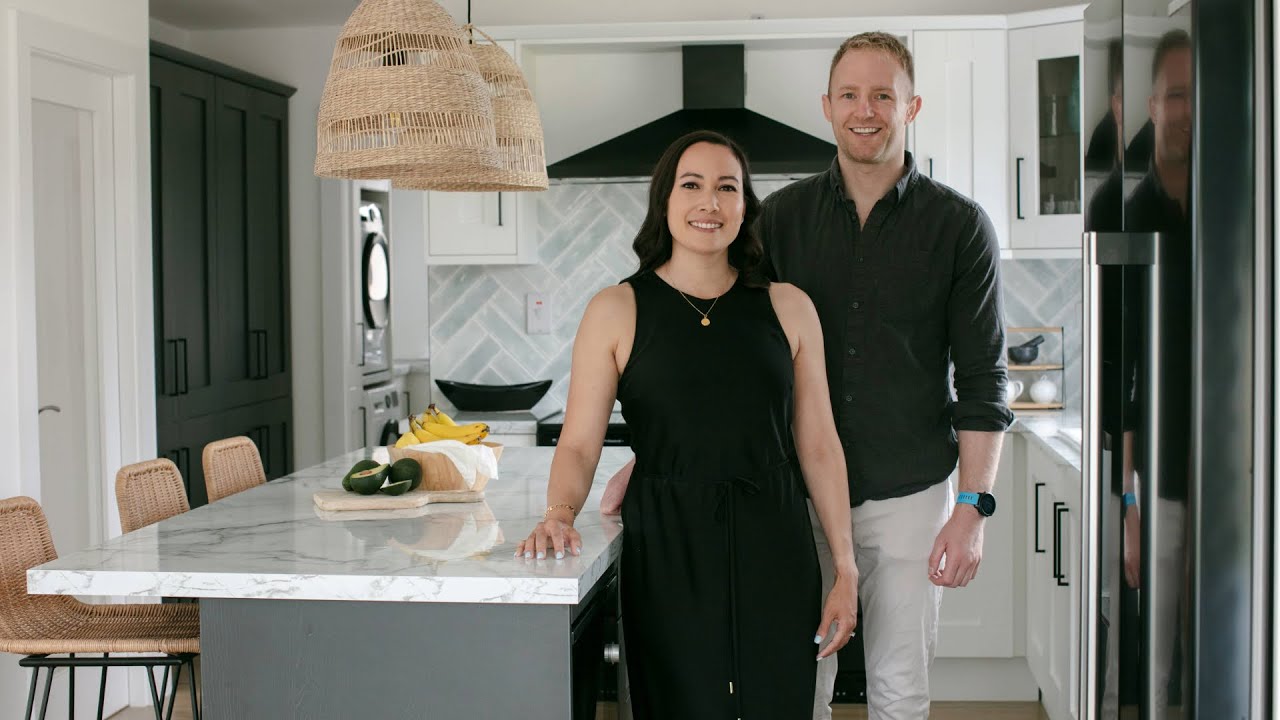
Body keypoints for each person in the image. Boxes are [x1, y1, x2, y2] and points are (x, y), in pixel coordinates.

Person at [600, 32, 1013, 720]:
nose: (865, 110)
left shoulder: (960, 227)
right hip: (793, 499)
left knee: (899, 690)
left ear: (912, 106)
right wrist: (656, 455)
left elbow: (982, 380)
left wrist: (973, 507)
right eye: (850, 94)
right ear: (827, 106)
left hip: (910, 494)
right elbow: (728, 353)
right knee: (798, 686)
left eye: (883, 95)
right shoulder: (780, 219)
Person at [515, 129, 859, 718]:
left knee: (777, 702)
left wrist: (846, 569)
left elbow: (820, 446)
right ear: (665, 201)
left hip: (774, 538)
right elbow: (578, 445)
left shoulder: (789, 306)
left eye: (727, 187)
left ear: (745, 205)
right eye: (692, 185)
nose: (710, 203)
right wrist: (558, 514)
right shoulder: (616, 309)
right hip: (667, 543)